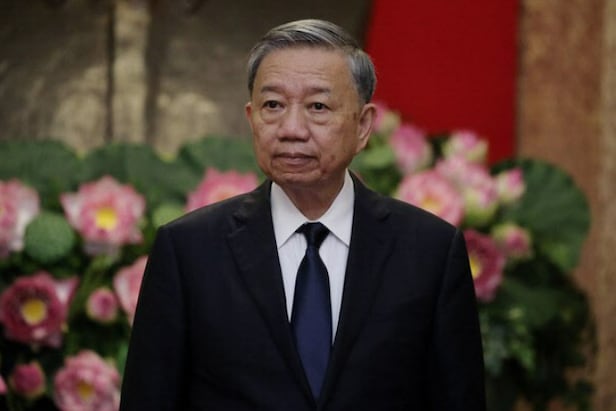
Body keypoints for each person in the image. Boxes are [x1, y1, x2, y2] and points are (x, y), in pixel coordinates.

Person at [119, 19, 486, 411]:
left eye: (318, 107)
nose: (292, 129)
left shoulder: (429, 251)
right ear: (251, 117)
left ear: (363, 126)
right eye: (273, 106)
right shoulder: (188, 250)